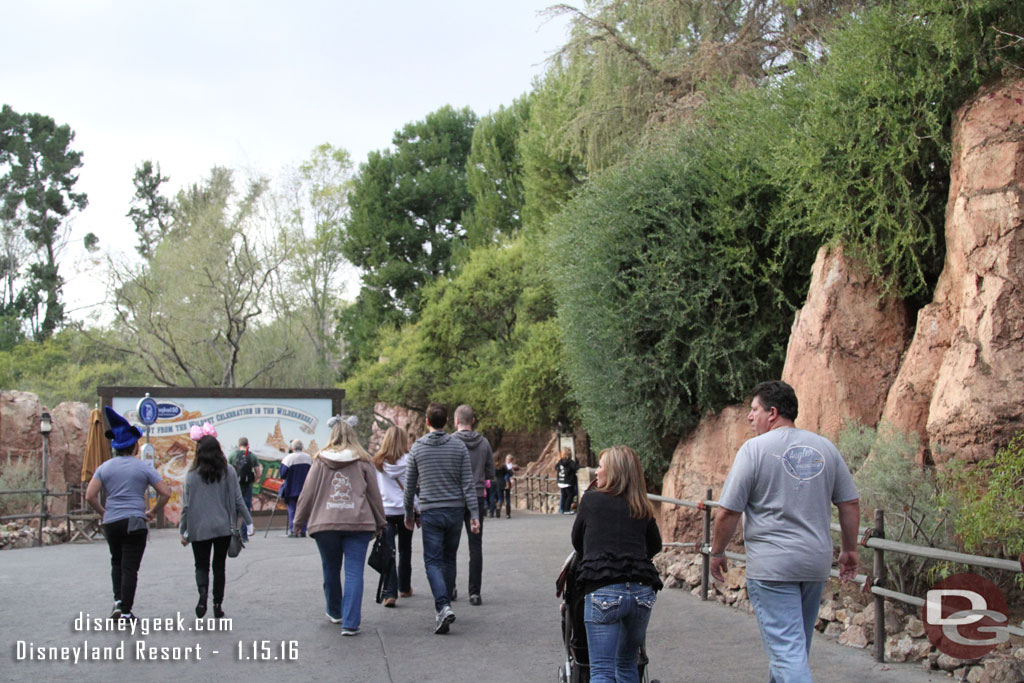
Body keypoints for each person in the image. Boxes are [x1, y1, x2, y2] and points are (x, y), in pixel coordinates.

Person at [710, 380, 860, 683]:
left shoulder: (754, 450)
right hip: (815, 564)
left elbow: (727, 512)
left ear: (773, 413)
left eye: (754, 410)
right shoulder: (824, 447)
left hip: (773, 567)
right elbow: (850, 503)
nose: (750, 417)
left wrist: (716, 551)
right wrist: (849, 549)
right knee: (794, 651)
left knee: (787, 654)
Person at [571, 445, 662, 683]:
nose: (596, 472)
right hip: (642, 592)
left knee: (601, 670)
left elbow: (577, 542)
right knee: (626, 664)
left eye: (601, 467)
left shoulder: (591, 500)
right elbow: (655, 546)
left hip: (604, 590)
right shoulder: (641, 505)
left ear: (613, 471)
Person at [293, 417, 386, 636]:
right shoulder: (363, 461)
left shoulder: (320, 461)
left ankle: (335, 611)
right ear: (353, 435)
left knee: (330, 568)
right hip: (359, 523)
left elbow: (307, 494)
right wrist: (381, 521)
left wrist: (298, 521)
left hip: (325, 524)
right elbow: (374, 495)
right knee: (354, 572)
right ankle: (351, 623)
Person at [85, 406, 172, 622]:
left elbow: (90, 495)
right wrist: (152, 511)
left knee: (116, 561)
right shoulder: (143, 468)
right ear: (134, 445)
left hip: (112, 521)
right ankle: (125, 611)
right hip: (135, 521)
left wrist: (104, 511)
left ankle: (117, 602)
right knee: (130, 567)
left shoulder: (104, 468)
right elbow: (165, 492)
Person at [403, 402, 479, 634]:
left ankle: (443, 605)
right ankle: (443, 605)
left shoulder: (417, 448)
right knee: (449, 559)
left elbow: (409, 486)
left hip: (431, 510)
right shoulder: (458, 448)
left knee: (432, 561)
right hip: (455, 510)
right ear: (447, 421)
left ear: (427, 422)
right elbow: (468, 483)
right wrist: (474, 513)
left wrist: (408, 512)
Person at [179, 427, 253, 619]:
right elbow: (238, 499)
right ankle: (217, 604)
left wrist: (183, 530)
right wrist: (249, 522)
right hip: (223, 527)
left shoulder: (191, 475)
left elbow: (186, 506)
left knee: (201, 565)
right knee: (219, 566)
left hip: (198, 528)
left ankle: (202, 594)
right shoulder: (228, 471)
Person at [451, 404, 495, 606]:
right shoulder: (484, 443)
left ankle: (450, 587)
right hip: (476, 496)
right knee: (475, 546)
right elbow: (491, 473)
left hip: (455, 498)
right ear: (473, 420)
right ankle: (474, 592)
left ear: (456, 420)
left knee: (449, 545)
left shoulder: (450, 442)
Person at [373, 425, 415, 607]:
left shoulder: (378, 462)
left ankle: (390, 592)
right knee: (406, 549)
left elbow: (375, 487)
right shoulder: (410, 460)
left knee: (388, 550)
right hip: (406, 509)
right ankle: (405, 587)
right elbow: (415, 485)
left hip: (386, 510)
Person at [228, 436, 261, 541]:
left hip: (235, 486)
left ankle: (233, 533)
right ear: (247, 444)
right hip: (247, 485)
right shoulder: (252, 456)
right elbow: (258, 472)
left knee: (234, 509)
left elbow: (227, 470)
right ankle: (244, 535)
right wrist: (254, 480)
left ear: (239, 445)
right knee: (246, 508)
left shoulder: (233, 455)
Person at [279, 439, 312, 537]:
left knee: (292, 510)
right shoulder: (308, 458)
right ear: (302, 447)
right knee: (304, 509)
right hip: (305, 488)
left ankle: (294, 530)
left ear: (292, 448)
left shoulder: (288, 458)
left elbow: (282, 474)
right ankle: (302, 530)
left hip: (291, 488)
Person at [555, 447, 579, 514]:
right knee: (570, 495)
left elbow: (556, 468)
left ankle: (562, 509)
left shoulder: (559, 462)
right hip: (568, 482)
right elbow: (576, 467)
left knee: (564, 495)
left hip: (561, 481)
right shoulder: (570, 462)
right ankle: (566, 509)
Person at [501, 454, 519, 518]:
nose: (508, 461)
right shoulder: (503, 465)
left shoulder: (511, 465)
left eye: (509, 459)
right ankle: (504, 510)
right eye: (507, 459)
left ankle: (508, 513)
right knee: (504, 497)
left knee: (508, 498)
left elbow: (515, 470)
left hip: (507, 480)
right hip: (503, 482)